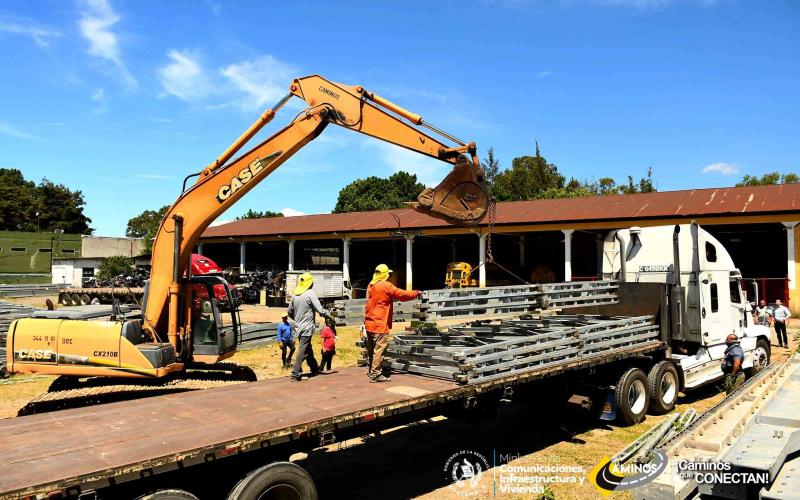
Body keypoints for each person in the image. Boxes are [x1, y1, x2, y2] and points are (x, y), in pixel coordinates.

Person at [364, 264, 420, 382]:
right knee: (379, 349)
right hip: (380, 323)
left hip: (369, 322)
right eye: (388, 274)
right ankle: (375, 374)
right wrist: (416, 293)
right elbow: (401, 294)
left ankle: (372, 370)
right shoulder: (386, 285)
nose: (389, 276)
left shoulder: (371, 285)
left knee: (372, 350)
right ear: (385, 274)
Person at [288, 272, 331, 382]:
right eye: (312, 283)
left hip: (298, 327)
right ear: (309, 283)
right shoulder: (310, 294)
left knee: (307, 349)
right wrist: (329, 315)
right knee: (302, 350)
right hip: (307, 328)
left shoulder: (295, 295)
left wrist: (298, 320)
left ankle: (314, 368)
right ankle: (295, 373)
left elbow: (289, 312)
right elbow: (320, 310)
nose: (312, 285)